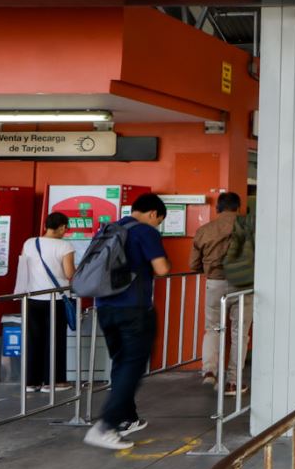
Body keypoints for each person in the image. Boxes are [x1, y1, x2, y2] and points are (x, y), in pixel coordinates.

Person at [85, 194, 171, 451]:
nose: (157, 225)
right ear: (154, 214)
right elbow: (162, 269)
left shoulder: (108, 228)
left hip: (105, 307)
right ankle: (106, 425)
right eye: (159, 221)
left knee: (122, 364)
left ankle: (126, 417)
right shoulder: (145, 231)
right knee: (133, 367)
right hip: (134, 309)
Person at [14, 212, 76, 394]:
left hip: (32, 298)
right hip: (55, 299)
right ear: (63, 227)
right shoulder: (65, 245)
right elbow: (69, 273)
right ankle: (54, 381)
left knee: (34, 340)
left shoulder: (30, 242)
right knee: (55, 340)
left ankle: (32, 382)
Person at [191, 192, 243, 383]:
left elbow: (193, 264)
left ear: (217, 208)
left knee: (212, 328)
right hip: (244, 284)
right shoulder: (251, 228)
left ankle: (209, 371)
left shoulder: (205, 230)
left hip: (214, 283)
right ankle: (233, 381)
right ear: (238, 207)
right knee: (239, 332)